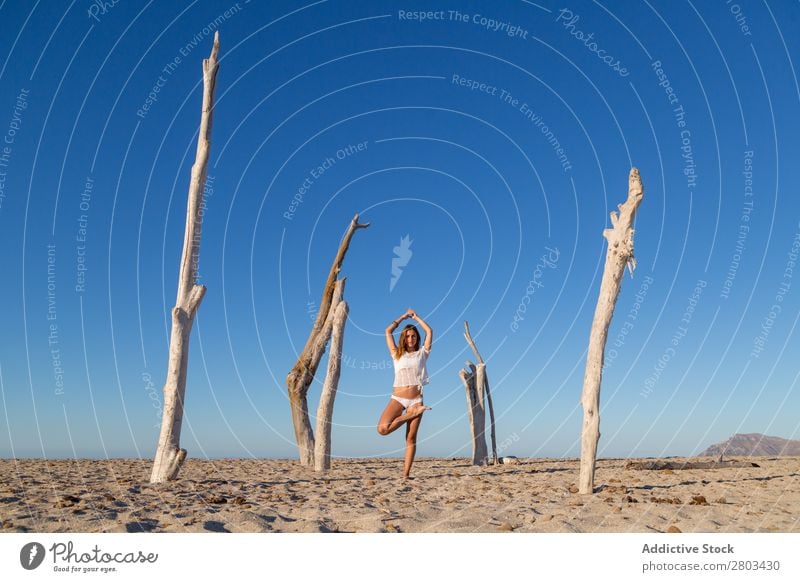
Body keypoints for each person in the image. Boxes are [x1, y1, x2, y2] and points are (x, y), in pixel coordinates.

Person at [377, 308, 432, 478]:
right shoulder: (396, 354)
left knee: (410, 438)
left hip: (416, 399)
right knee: (382, 429)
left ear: (417, 338)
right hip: (398, 398)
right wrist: (401, 317)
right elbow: (387, 331)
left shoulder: (422, 353)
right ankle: (409, 415)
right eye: (407, 336)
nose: (410, 339)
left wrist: (416, 317)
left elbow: (429, 331)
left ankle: (405, 475)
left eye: (413, 336)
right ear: (403, 338)